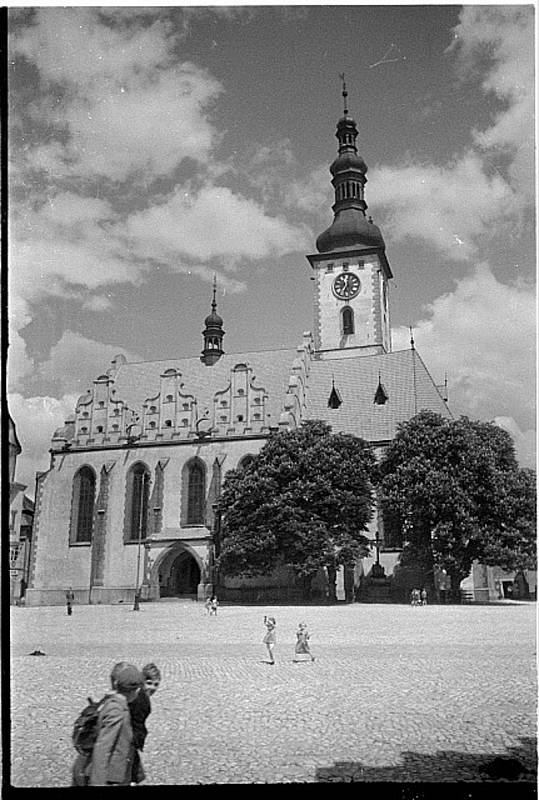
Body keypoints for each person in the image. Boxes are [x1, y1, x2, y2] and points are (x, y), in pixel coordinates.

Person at [88, 663, 143, 786]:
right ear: (137, 690)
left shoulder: (111, 702)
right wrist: (97, 782)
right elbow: (103, 748)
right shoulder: (116, 711)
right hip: (112, 777)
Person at [129, 663, 162, 785]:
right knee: (132, 778)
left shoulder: (136, 694)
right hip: (129, 743)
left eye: (156, 684)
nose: (152, 688)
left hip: (131, 743)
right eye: (149, 683)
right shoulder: (141, 699)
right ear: (142, 681)